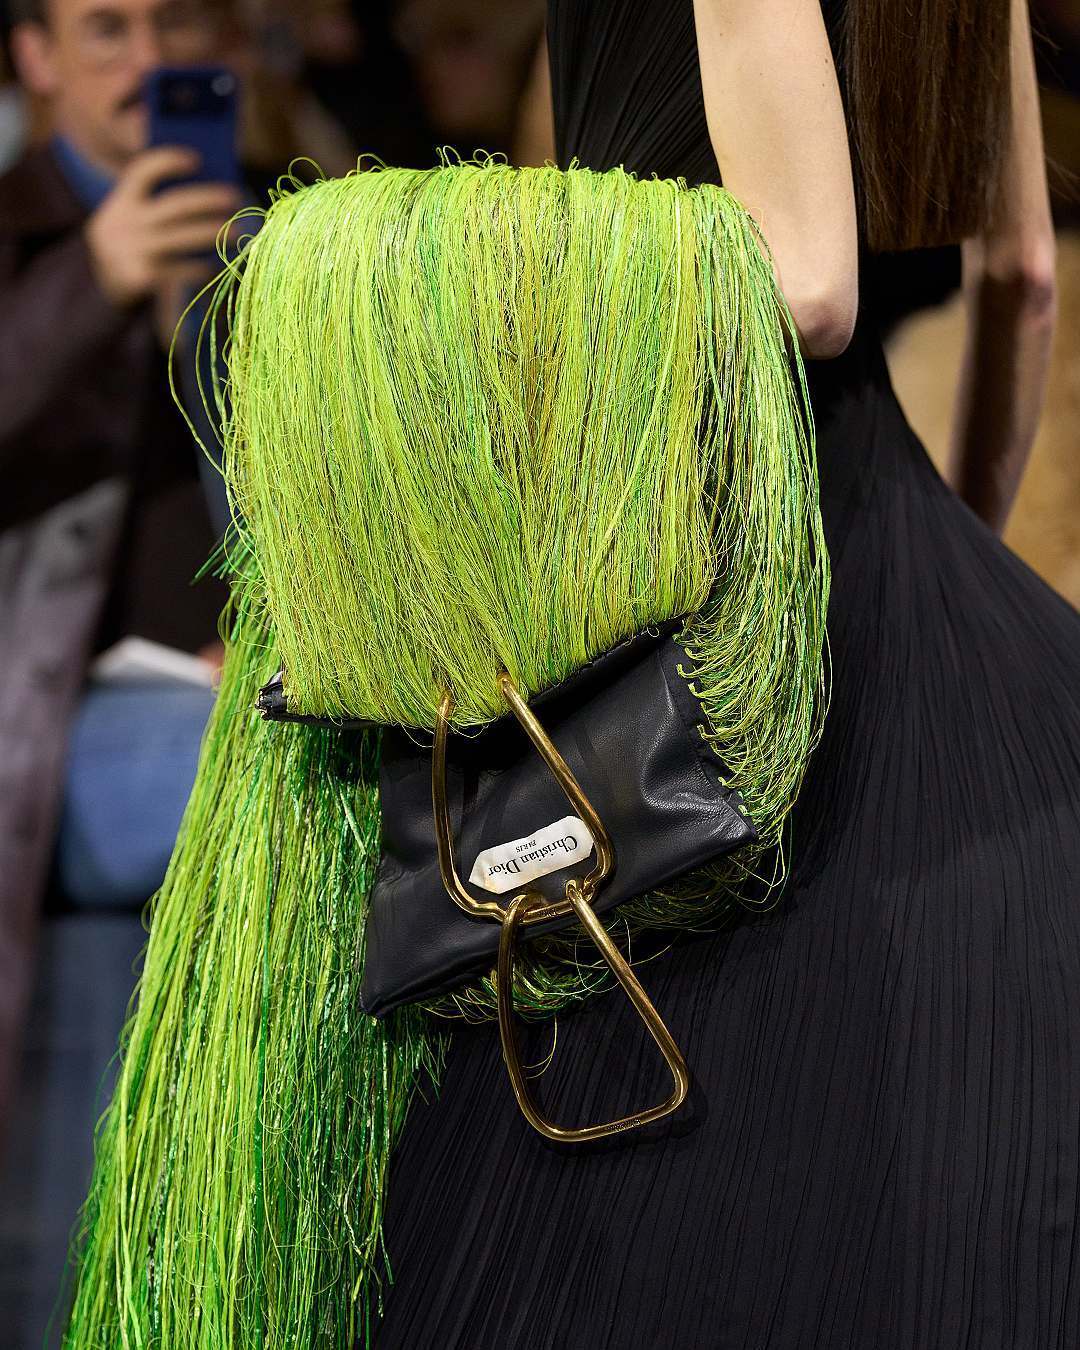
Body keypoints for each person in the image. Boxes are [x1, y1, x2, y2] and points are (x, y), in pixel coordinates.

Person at [369, 1, 1080, 1347]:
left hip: (674, 603)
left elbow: (806, 284)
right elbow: (1024, 279)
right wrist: (948, 582)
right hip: (896, 560)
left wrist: (398, 265)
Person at [0, 0, 240, 1148]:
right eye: (106, 29)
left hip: (223, 687)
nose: (148, 60)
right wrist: (93, 279)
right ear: (35, 57)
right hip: (46, 720)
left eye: (169, 23)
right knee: (287, 769)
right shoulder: (21, 236)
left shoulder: (252, 238)